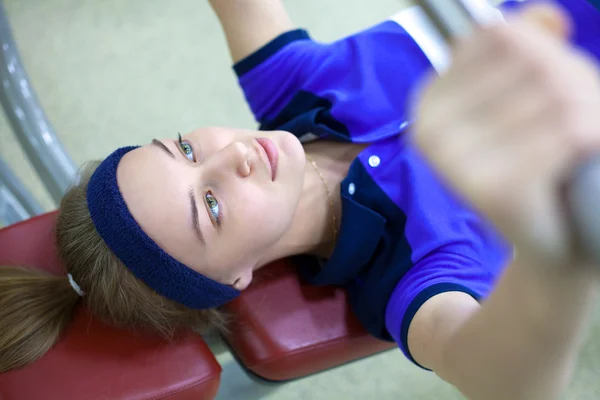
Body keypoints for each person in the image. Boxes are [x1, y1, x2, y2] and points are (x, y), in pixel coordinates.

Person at [1, 0, 599, 398]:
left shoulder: (291, 85)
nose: (231, 156)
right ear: (236, 277)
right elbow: (503, 378)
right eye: (209, 205)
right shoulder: (408, 277)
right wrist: (555, 260)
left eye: (185, 149)